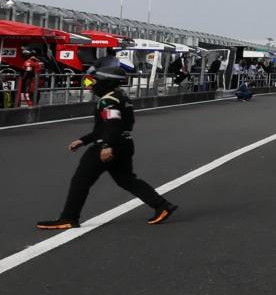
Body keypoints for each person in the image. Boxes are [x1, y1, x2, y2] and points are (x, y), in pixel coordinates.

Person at [38, 64, 175, 230]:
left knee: (81, 181)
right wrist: (83, 140)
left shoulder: (108, 101)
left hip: (108, 144)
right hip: (125, 143)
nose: (91, 85)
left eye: (93, 81)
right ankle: (162, 205)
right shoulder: (121, 96)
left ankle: (68, 218)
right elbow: (108, 126)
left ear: (106, 82)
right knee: (127, 180)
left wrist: (107, 145)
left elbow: (112, 124)